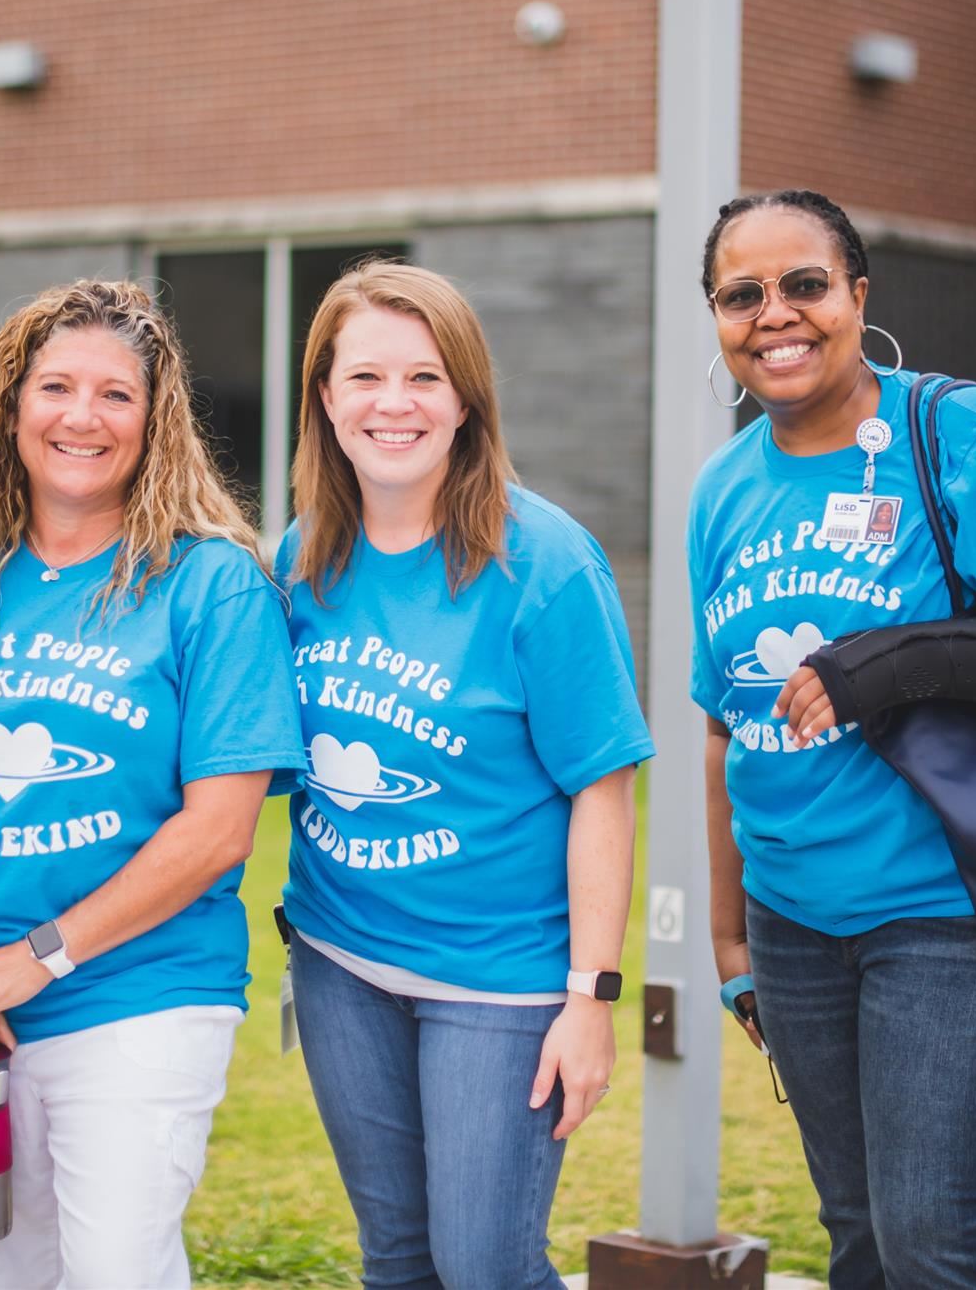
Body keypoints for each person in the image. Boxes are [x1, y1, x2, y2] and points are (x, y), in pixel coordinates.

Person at [689, 189, 976, 1287]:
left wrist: (905, 660)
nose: (774, 314)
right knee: (856, 1233)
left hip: (961, 915)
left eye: (803, 284)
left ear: (857, 295)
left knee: (933, 1242)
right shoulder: (722, 489)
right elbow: (724, 730)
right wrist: (728, 945)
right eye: (739, 294)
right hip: (793, 927)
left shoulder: (959, 435)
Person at [0, 280, 303, 1289]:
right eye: (55, 387)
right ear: (9, 408)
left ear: (155, 421)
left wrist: (31, 961)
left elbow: (218, 832)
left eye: (115, 395)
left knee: (115, 1272)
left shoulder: (209, 582)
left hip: (137, 997)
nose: (81, 417)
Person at [275, 262, 654, 1288]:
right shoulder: (300, 558)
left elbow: (601, 793)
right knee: (396, 1262)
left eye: (422, 378)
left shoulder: (545, 564)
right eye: (362, 377)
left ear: (465, 400)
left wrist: (590, 998)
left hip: (500, 982)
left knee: (484, 1265)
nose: (391, 405)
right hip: (338, 960)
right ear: (322, 395)